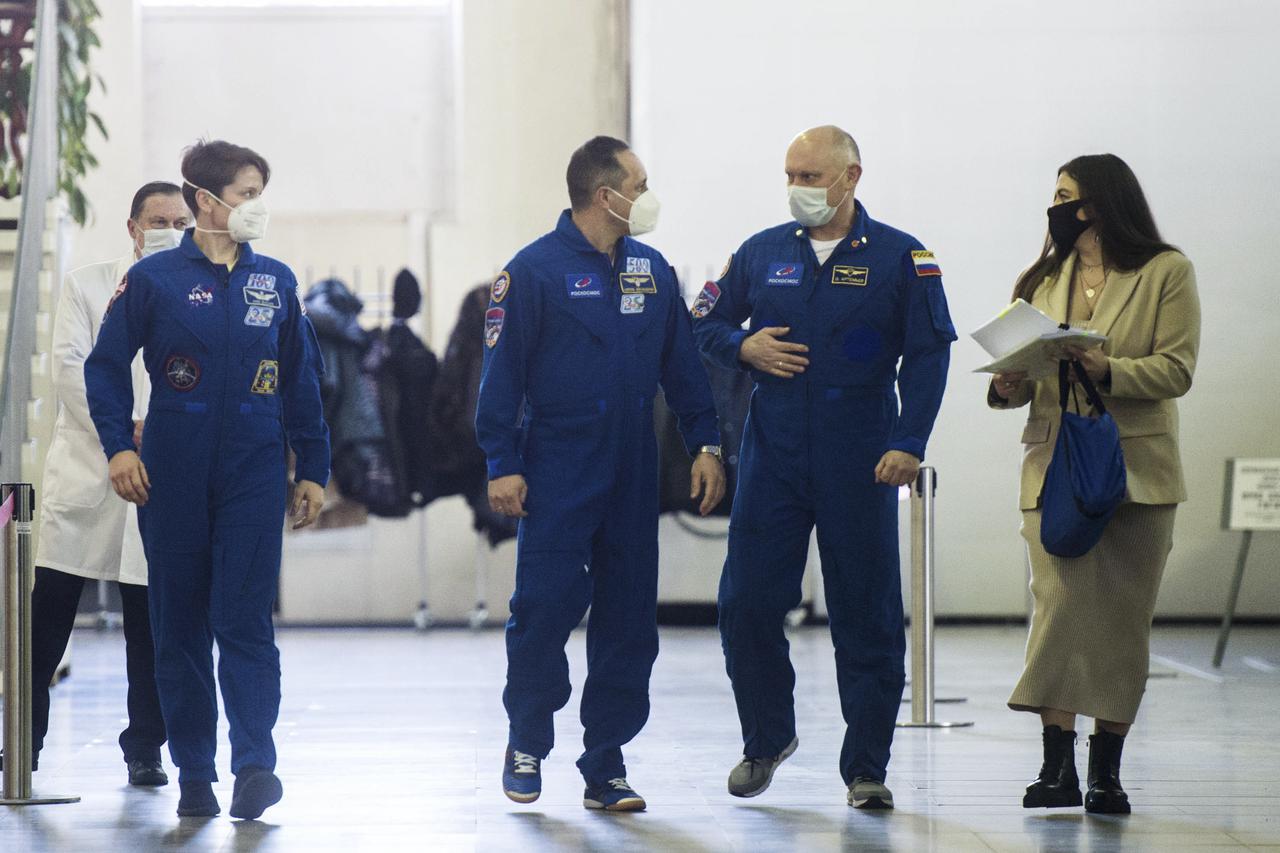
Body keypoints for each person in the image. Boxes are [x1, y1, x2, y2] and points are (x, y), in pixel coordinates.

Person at [692, 125, 956, 809]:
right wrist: (743, 347)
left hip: (861, 456)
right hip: (774, 454)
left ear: (850, 176)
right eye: (790, 175)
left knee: (865, 614)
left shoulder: (902, 256)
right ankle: (766, 738)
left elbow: (929, 353)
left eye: (809, 176)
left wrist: (910, 440)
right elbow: (702, 323)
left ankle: (866, 766)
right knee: (746, 603)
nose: (797, 189)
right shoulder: (762, 252)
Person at [476, 135, 725, 813]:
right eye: (638, 186)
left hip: (632, 463)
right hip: (558, 460)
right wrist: (502, 463)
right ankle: (527, 740)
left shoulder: (651, 269)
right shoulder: (532, 272)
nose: (647, 197)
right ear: (603, 194)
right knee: (543, 609)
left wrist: (706, 443)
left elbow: (683, 367)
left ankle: (606, 761)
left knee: (629, 619)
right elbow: (500, 379)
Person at [84, 140, 329, 820]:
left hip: (255, 467)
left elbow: (302, 379)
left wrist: (313, 468)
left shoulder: (275, 280)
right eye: (247, 194)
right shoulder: (154, 280)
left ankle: (255, 765)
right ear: (205, 199)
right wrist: (118, 448)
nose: (256, 207)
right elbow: (105, 365)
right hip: (173, 469)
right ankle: (195, 771)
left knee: (246, 622)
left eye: (259, 195)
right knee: (181, 624)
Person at [989, 154, 1200, 815]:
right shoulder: (1040, 279)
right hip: (1053, 466)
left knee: (1122, 622)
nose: (1056, 207)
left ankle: (1107, 770)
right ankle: (1057, 766)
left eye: (1067, 196)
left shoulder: (1167, 271)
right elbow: (1018, 380)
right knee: (1058, 607)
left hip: (1138, 471)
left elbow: (1177, 370)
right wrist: (1008, 383)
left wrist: (1107, 368)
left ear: (1102, 203)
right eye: (1054, 196)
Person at [9, 183, 188, 787]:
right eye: (159, 221)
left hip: (158, 471)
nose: (170, 231)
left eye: (181, 222)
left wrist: (152, 433)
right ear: (133, 227)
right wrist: (121, 433)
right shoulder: (86, 285)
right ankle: (22, 745)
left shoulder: (195, 292)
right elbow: (69, 369)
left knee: (148, 624)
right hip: (89, 468)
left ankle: (145, 748)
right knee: (47, 620)